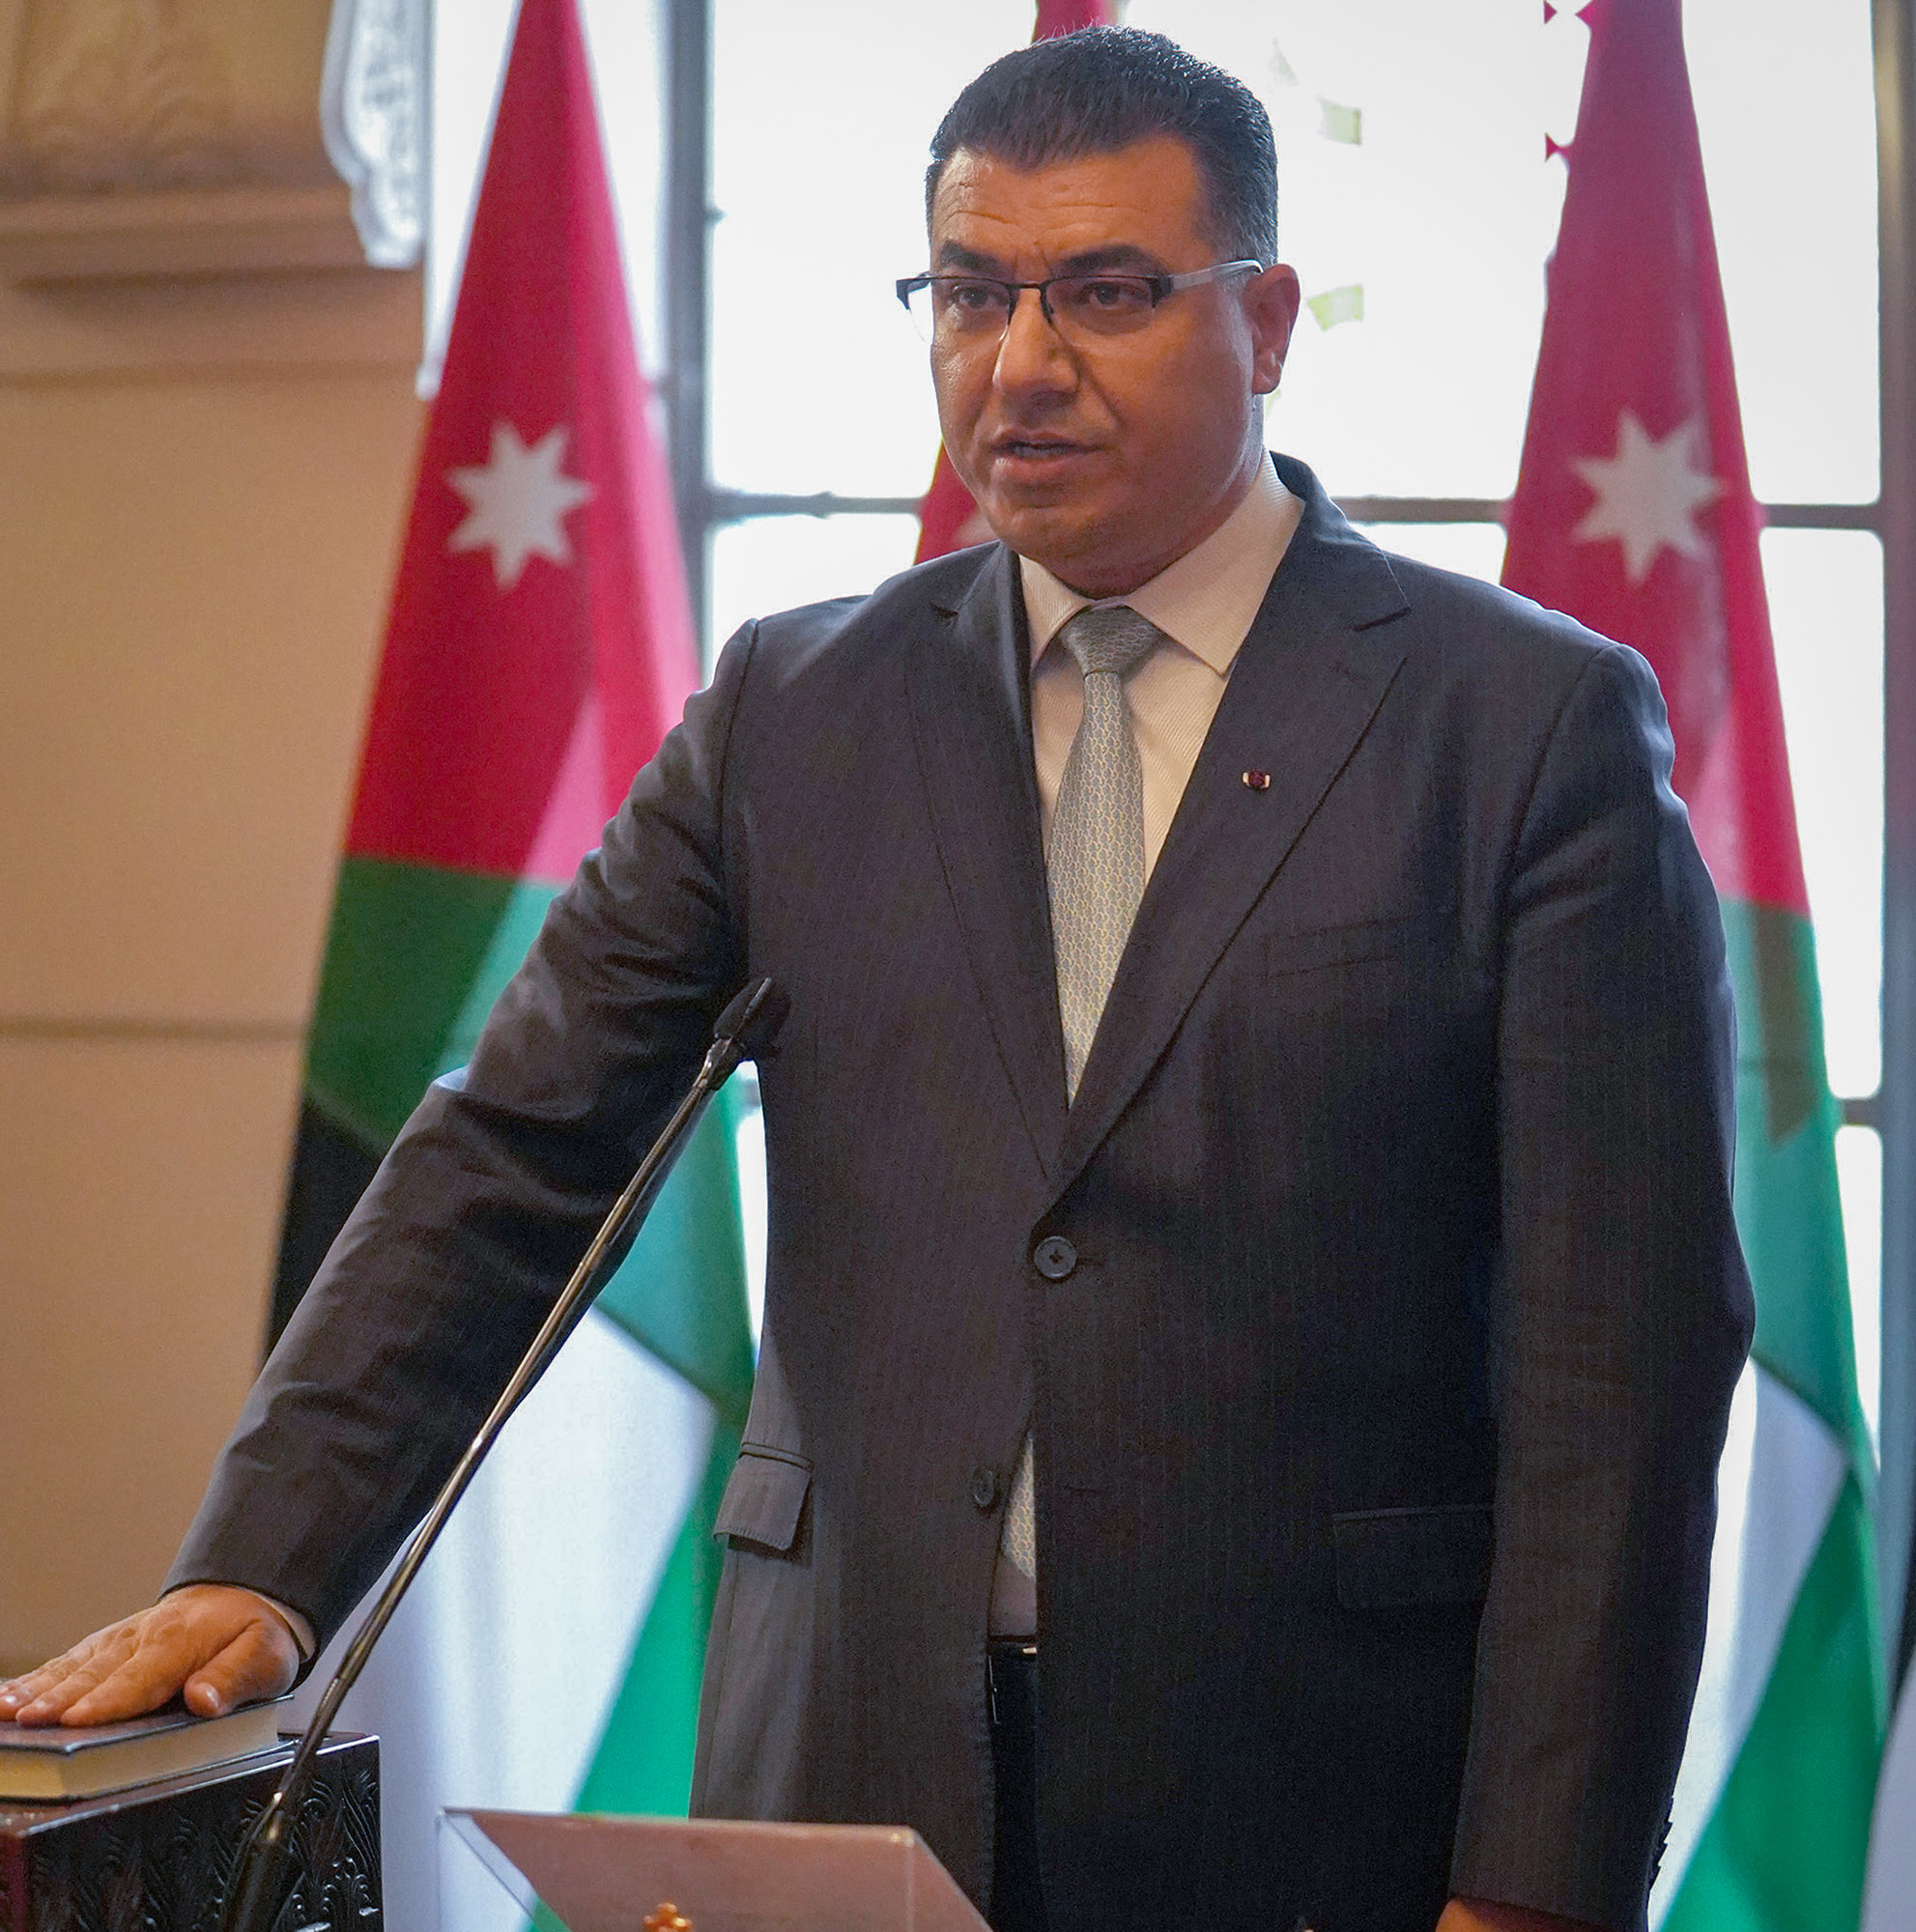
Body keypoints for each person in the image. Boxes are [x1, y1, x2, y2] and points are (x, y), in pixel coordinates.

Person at [2, 28, 1752, 1932]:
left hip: (1321, 1795)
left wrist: (1540, 1883)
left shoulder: (1519, 727)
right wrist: (264, 1561)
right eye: (970, 293)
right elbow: (506, 1154)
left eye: (1104, 292)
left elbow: (1622, 1359)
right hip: (846, 1752)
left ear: (1262, 323)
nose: (1021, 362)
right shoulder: (792, 711)